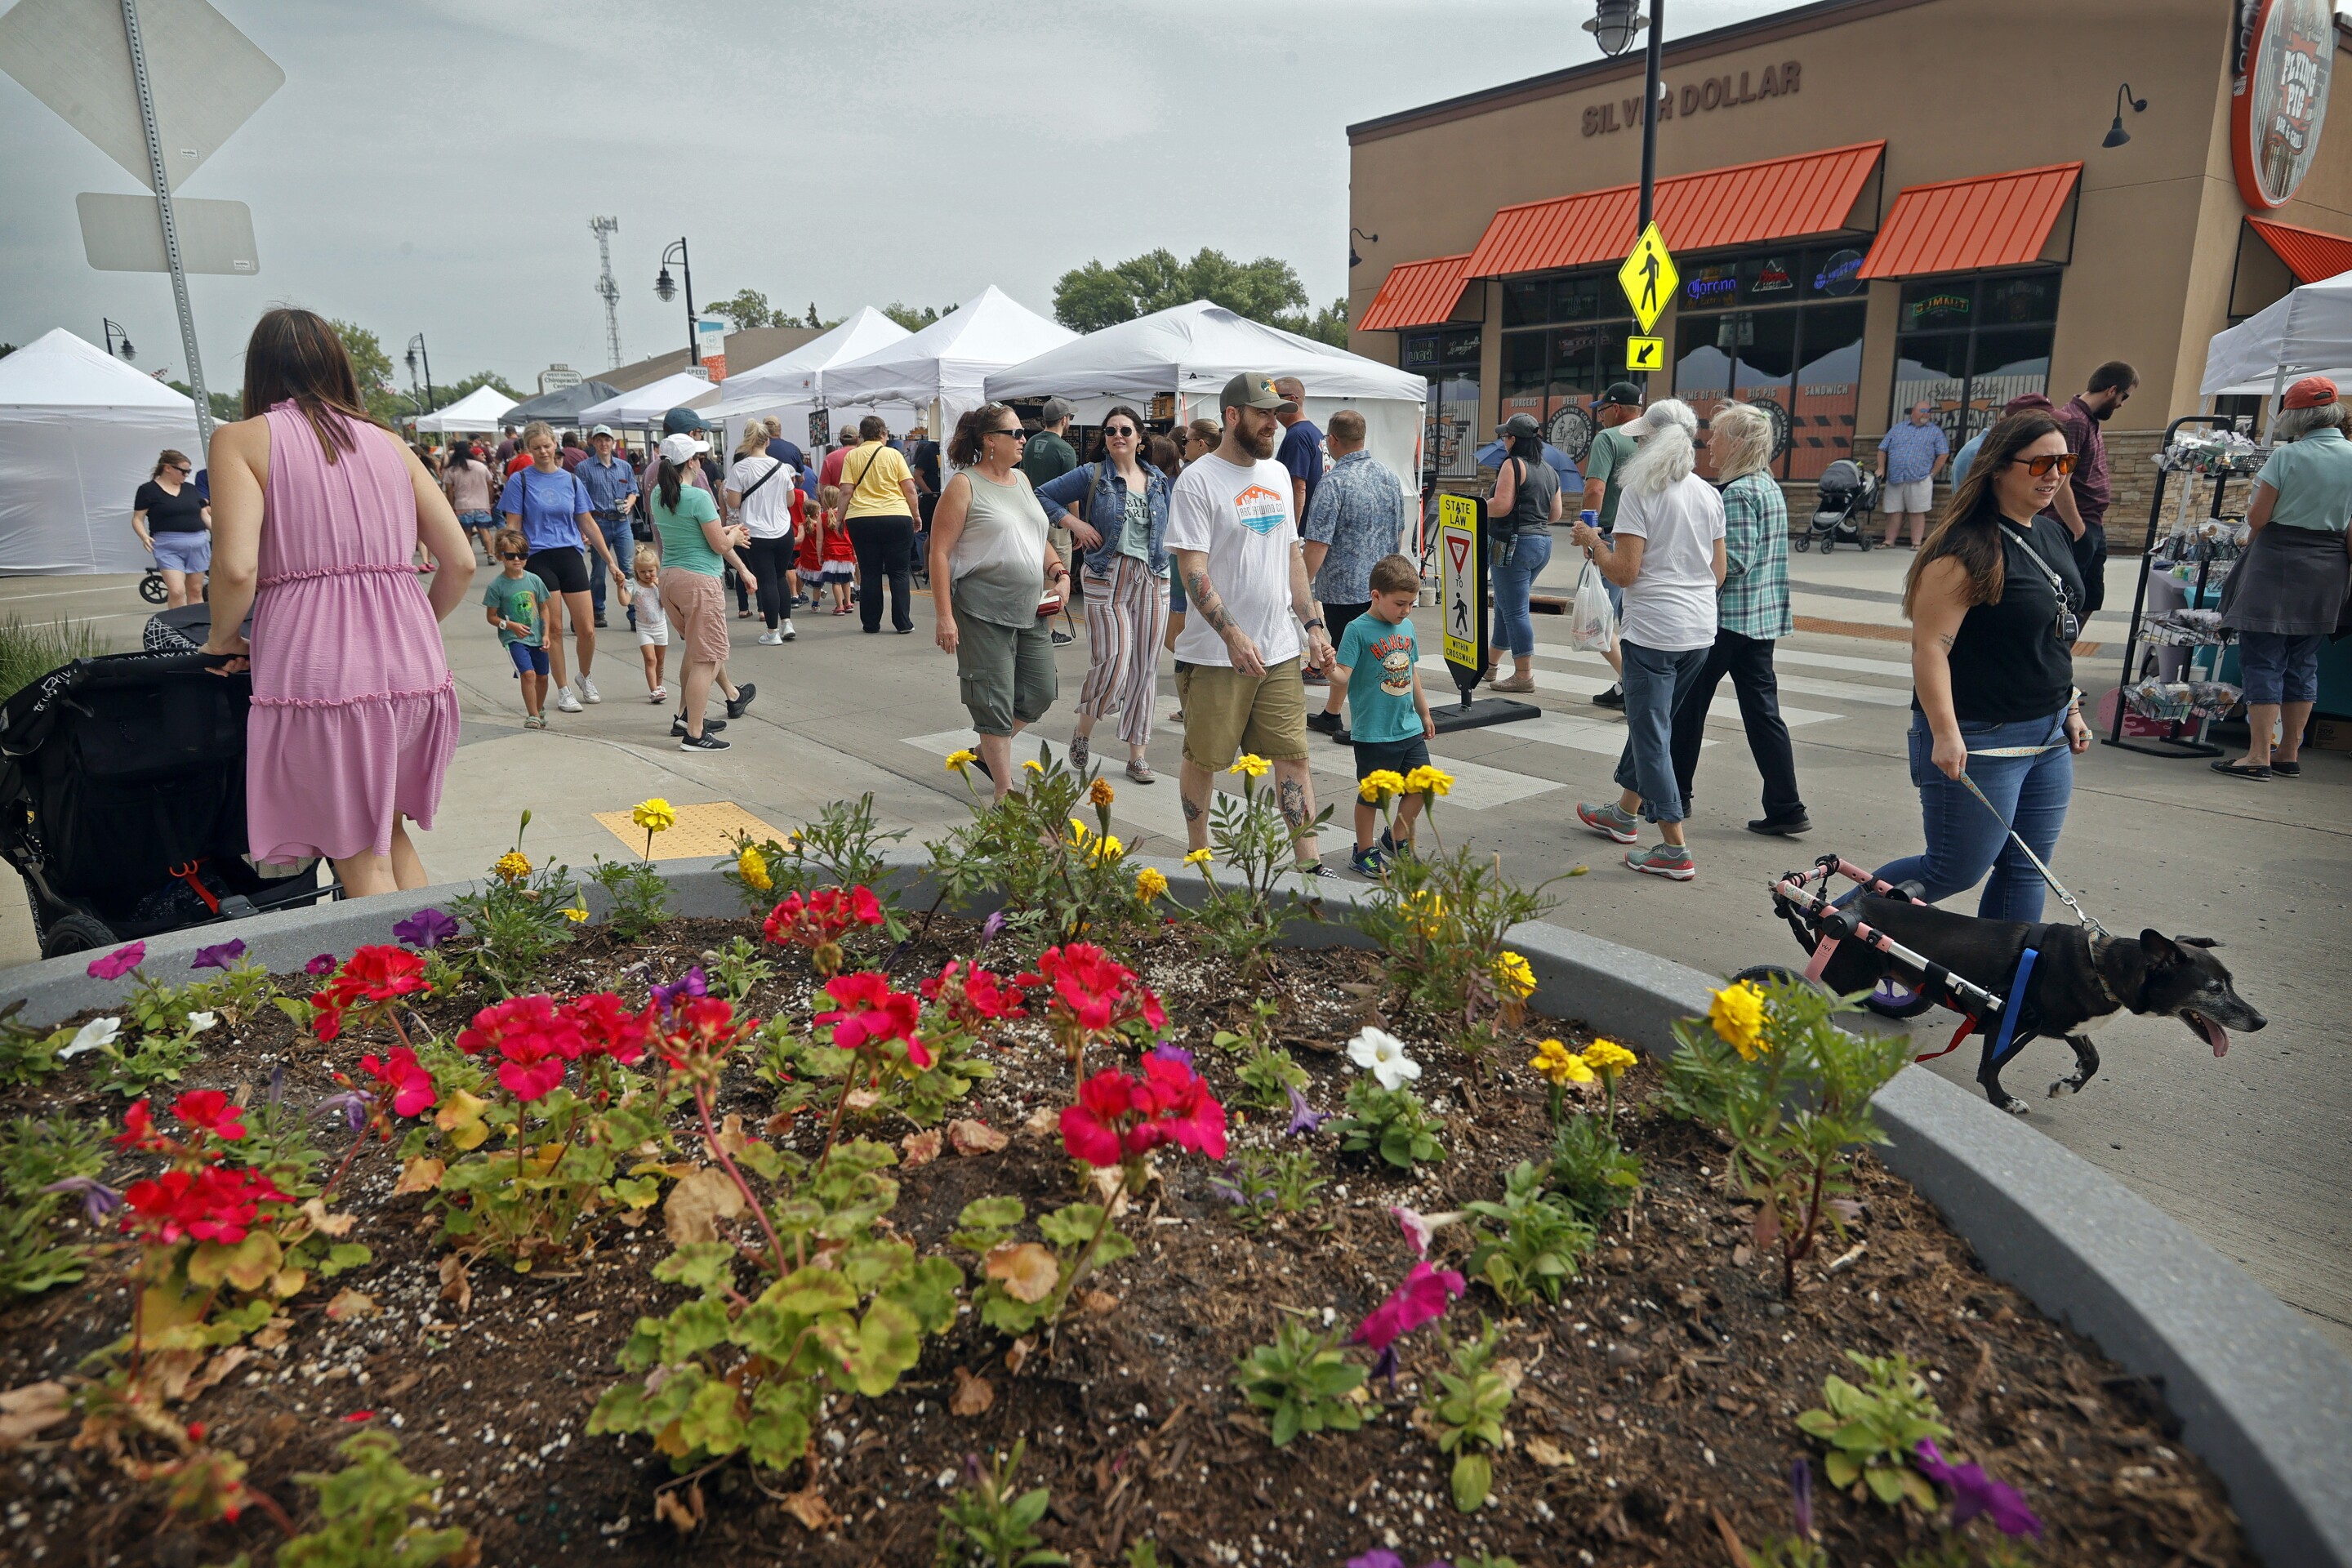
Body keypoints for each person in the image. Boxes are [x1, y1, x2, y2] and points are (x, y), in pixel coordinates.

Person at [198, 305, 471, 898]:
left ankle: (397, 964)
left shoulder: (240, 441)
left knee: (356, 853)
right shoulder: (391, 444)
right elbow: (461, 562)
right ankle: (436, 953)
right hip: (412, 665)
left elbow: (237, 568)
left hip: (319, 671)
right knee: (388, 835)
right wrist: (413, 626)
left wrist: (222, 637)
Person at [1867, 409, 2089, 918]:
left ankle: (2007, 971)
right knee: (1951, 870)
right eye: (2041, 464)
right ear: (1998, 468)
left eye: (2065, 462)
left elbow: (2051, 639)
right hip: (1982, 735)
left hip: (2050, 731)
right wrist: (1945, 733)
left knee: (2026, 869)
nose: (2055, 475)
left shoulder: (2050, 534)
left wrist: (2072, 706)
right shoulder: (1964, 550)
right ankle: (1836, 930)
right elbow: (1930, 649)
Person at [1167, 372, 1336, 873]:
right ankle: (1200, 855)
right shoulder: (1197, 481)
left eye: (1276, 414)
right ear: (1232, 415)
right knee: (1205, 759)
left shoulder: (1278, 475)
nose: (1273, 424)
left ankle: (1309, 866)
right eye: (1262, 414)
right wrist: (1232, 635)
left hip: (1279, 649)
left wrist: (1312, 624)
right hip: (1216, 655)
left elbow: (1292, 557)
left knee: (1294, 757)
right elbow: (1192, 570)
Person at [1569, 399, 1726, 881]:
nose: (1635, 445)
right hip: (1699, 630)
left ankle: (1675, 847)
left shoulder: (1640, 491)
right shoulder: (1708, 493)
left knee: (1651, 733)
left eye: (1639, 439)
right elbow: (1719, 571)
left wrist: (1593, 542)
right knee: (1654, 726)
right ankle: (1624, 813)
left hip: (1654, 631)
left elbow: (1625, 571)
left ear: (1650, 442)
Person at [1667, 402, 1808, 835]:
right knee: (1763, 714)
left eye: (1718, 435)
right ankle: (1786, 806)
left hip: (1726, 621)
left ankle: (1676, 796)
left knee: (1687, 708)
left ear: (1738, 444)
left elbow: (1735, 562)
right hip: (1760, 621)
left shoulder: (1738, 493)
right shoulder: (1768, 486)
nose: (1709, 442)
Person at [2212, 376, 2352, 780]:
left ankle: (2258, 756)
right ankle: (2289, 752)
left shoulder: (2286, 456)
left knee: (2262, 658)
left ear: (2296, 416)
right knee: (2304, 661)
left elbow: (2258, 518)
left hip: (2276, 562)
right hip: (2329, 566)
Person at [930, 403, 1069, 802]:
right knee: (993, 701)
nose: (1024, 439)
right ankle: (1004, 792)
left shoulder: (1021, 480)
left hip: (1031, 609)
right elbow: (939, 552)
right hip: (981, 611)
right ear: (990, 440)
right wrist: (944, 616)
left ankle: (983, 753)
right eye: (1016, 433)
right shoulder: (964, 485)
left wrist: (1058, 571)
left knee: (1040, 692)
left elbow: (1035, 534)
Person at [1036, 404, 1172, 782]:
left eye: (1125, 430)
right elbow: (1041, 495)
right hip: (1106, 576)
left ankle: (1137, 755)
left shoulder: (1159, 480)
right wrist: (1075, 523)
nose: (1117, 436)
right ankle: (1084, 727)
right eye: (1110, 431)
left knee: (1145, 668)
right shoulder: (1092, 474)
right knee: (1114, 659)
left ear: (1140, 438)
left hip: (1153, 577)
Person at [1303, 410, 1414, 735]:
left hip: (1344, 589)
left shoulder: (1333, 482)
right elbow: (1399, 532)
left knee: (1355, 661)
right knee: (1372, 654)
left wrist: (1298, 584)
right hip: (1384, 586)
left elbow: (1318, 544)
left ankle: (1370, 725)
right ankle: (1331, 713)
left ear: (1332, 440)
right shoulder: (1388, 476)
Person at [500, 420, 623, 711]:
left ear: (555, 445)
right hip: (538, 557)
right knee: (553, 629)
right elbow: (513, 526)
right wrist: (511, 566)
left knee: (587, 629)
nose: (543, 452)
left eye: (547, 446)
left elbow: (587, 522)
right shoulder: (520, 481)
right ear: (528, 450)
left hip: (570, 554)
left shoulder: (571, 480)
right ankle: (563, 688)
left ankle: (585, 676)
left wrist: (611, 562)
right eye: (536, 448)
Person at [648, 430, 757, 750]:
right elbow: (719, 544)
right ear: (691, 463)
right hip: (699, 582)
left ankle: (687, 718)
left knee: (696, 652)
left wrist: (725, 534)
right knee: (707, 659)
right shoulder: (698, 497)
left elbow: (694, 534)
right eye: (698, 457)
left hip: (671, 579)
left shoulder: (659, 495)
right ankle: (694, 734)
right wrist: (734, 535)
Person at [1334, 554, 1435, 876]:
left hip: (1408, 727)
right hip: (1375, 732)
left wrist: (1424, 713)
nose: (1406, 611)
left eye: (1411, 604)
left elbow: (1412, 672)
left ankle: (1396, 839)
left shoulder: (1407, 627)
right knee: (1373, 797)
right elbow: (1342, 675)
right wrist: (1327, 668)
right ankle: (1363, 851)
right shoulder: (1357, 630)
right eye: (1400, 603)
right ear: (1376, 596)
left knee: (1423, 785)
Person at [2044, 360, 2136, 617]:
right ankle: (2055, 645)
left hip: (2091, 522)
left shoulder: (2089, 420)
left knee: (2090, 599)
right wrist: (2078, 529)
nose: (2122, 404)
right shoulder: (2075, 421)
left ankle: (2067, 645)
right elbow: (2060, 481)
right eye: (2124, 396)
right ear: (2112, 390)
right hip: (2073, 524)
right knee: (2066, 600)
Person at [1481, 412, 1562, 695]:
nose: (1504, 441)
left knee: (1514, 610)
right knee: (1506, 605)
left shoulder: (1512, 464)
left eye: (1505, 436)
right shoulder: (1549, 470)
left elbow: (1502, 505)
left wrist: (1476, 506)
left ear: (1513, 439)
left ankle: (1523, 675)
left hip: (1512, 543)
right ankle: (1490, 665)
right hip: (1542, 544)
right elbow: (1555, 514)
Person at [1580, 381, 1648, 706]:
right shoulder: (1652, 440)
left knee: (1598, 617)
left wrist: (1588, 532)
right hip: (1647, 537)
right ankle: (1630, 685)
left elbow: (1595, 489)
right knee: (1629, 618)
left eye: (1603, 410)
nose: (1601, 416)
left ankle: (1632, 685)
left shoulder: (1607, 438)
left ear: (1616, 408)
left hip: (1611, 535)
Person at [835, 416, 922, 634]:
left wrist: (839, 518)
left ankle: (871, 623)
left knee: (870, 572)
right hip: (896, 516)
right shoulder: (894, 455)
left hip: (861, 518)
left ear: (861, 436)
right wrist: (916, 515)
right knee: (899, 572)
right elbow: (910, 489)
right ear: (884, 433)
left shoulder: (852, 456)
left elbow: (846, 491)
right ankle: (903, 623)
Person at [726, 421, 799, 644]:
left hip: (756, 532)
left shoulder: (740, 468)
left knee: (767, 581)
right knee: (780, 576)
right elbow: (791, 500)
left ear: (747, 441)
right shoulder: (782, 467)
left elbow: (733, 502)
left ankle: (772, 632)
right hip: (783, 530)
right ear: (767, 441)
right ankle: (787, 623)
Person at [1022, 398, 1082, 645]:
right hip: (1056, 521)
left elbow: (1024, 476)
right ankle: (1047, 632)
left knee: (1034, 572)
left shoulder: (1029, 443)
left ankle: (1032, 626)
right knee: (1055, 574)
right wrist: (1076, 525)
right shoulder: (1065, 450)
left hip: (1030, 517)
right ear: (1065, 419)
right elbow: (1072, 493)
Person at [483, 526, 551, 728]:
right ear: (500, 556)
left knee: (542, 677)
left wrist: (546, 634)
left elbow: (544, 608)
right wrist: (510, 625)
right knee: (528, 674)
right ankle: (533, 715)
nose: (517, 560)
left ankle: (538, 709)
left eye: (522, 555)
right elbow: (491, 617)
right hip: (514, 639)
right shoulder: (497, 586)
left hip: (537, 637)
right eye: (511, 555)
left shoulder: (534, 580)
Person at [1165, 418, 1221, 657]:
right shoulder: (1223, 472)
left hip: (1188, 568)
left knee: (1174, 639)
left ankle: (1191, 670)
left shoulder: (1190, 475)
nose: (1182, 446)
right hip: (1212, 567)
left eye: (1185, 440)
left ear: (1201, 443)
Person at [577, 425, 639, 628]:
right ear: (593, 442)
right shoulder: (584, 468)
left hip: (621, 523)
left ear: (613, 442)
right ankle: (598, 610)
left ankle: (635, 613)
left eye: (607, 440)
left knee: (628, 568)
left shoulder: (624, 466)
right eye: (599, 440)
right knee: (599, 569)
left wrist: (630, 502)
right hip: (598, 523)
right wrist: (584, 529)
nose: (604, 444)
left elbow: (633, 490)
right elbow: (580, 499)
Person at [133, 448, 212, 607]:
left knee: (196, 590)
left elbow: (204, 514)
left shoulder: (190, 489)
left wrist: (219, 532)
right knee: (177, 590)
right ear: (168, 468)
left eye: (188, 472)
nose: (186, 475)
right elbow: (137, 519)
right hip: (168, 545)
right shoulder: (148, 490)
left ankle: (196, 621)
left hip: (197, 543)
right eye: (183, 471)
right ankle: (177, 621)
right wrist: (144, 537)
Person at [1876, 402, 1949, 550]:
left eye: (1929, 411)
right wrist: (1881, 468)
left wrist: (1932, 474)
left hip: (1920, 478)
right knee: (1893, 511)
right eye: (1923, 410)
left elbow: (1943, 454)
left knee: (1917, 511)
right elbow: (1882, 449)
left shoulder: (1935, 432)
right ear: (1913, 412)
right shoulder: (1898, 429)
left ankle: (1916, 543)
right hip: (1895, 477)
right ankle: (1889, 541)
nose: (1926, 414)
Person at [440, 442, 497, 564]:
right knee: (484, 531)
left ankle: (469, 557)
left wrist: (452, 505)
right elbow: (490, 484)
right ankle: (490, 555)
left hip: (462, 505)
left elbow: (449, 490)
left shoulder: (452, 469)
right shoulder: (481, 466)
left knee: (467, 532)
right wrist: (490, 501)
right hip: (482, 504)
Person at [628, 546, 669, 704]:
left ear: (657, 569)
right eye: (642, 572)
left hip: (660, 626)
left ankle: (659, 686)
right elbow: (624, 601)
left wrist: (661, 588)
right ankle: (654, 690)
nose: (647, 575)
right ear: (636, 572)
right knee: (650, 659)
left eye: (651, 571)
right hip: (644, 628)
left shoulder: (659, 585)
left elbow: (665, 604)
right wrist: (620, 587)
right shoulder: (635, 585)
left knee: (660, 659)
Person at [817, 483, 857, 612]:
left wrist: (819, 555)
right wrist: (854, 552)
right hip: (846, 551)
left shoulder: (822, 517)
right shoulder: (845, 515)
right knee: (846, 579)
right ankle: (848, 603)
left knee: (836, 582)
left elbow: (819, 540)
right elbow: (851, 535)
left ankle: (839, 606)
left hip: (831, 552)